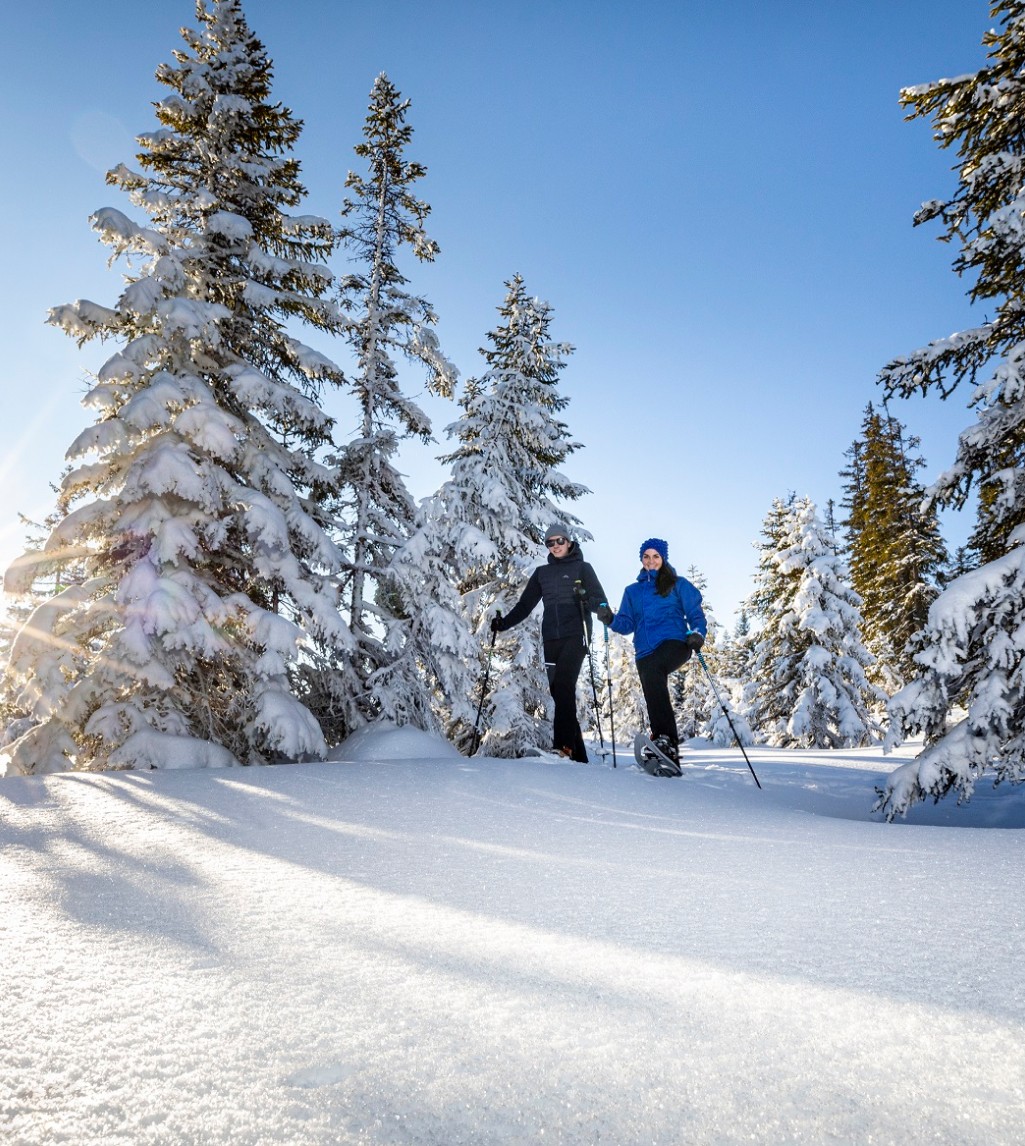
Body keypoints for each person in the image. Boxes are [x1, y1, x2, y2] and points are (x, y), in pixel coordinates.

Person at [491, 523, 611, 762]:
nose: (555, 546)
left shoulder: (583, 568)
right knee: (559, 693)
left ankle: (563, 747)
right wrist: (503, 624)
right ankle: (578, 756)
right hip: (551, 639)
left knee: (564, 685)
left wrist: (597, 607)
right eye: (550, 542)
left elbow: (599, 599)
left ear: (569, 542)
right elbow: (525, 606)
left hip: (575, 636)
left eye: (560, 541)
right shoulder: (541, 574)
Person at [607, 537, 707, 766]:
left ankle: (666, 741)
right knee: (653, 690)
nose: (651, 561)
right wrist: (610, 619)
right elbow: (626, 624)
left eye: (655, 556)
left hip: (675, 642)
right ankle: (664, 748)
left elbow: (695, 614)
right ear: (641, 559)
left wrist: (698, 633)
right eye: (646, 556)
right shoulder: (632, 591)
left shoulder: (677, 584)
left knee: (653, 670)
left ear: (663, 558)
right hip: (644, 651)